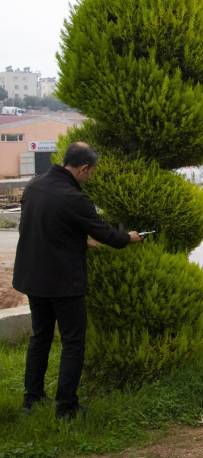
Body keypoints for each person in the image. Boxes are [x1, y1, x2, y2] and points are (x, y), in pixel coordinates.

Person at [13, 142, 143, 420]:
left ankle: (31, 399)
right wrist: (128, 237)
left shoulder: (34, 186)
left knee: (41, 337)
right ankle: (66, 407)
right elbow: (108, 235)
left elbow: (44, 226)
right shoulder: (74, 197)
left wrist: (80, 240)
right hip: (62, 282)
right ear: (84, 168)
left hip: (33, 277)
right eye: (91, 173)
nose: (90, 177)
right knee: (73, 342)